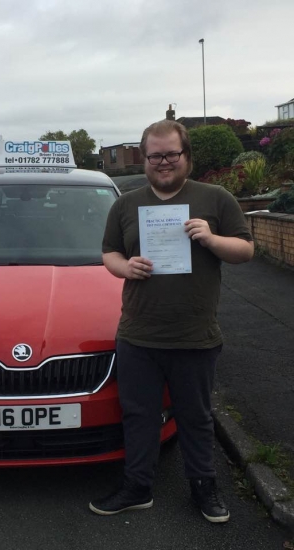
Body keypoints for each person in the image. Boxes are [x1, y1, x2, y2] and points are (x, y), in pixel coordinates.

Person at [89, 120, 254, 522]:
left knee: (196, 419)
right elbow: (108, 252)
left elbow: (245, 250)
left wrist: (212, 239)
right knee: (139, 416)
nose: (163, 162)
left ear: (186, 156)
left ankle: (204, 488)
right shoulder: (126, 204)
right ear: (145, 159)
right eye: (155, 155)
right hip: (138, 336)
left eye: (171, 154)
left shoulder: (215, 199)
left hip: (194, 336)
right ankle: (137, 487)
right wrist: (125, 267)